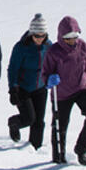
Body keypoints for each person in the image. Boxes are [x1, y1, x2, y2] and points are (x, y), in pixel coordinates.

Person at [41, 15, 86, 165]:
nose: (72, 40)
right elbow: (45, 74)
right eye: (68, 38)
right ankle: (58, 157)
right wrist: (49, 80)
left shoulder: (82, 46)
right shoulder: (54, 51)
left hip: (81, 88)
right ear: (61, 37)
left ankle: (81, 149)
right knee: (60, 127)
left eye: (74, 36)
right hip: (62, 94)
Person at [6, 13, 52, 149]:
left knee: (39, 121)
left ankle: (34, 148)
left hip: (41, 87)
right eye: (37, 36)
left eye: (42, 35)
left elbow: (54, 64)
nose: (39, 39)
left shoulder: (49, 46)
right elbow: (13, 68)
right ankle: (14, 123)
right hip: (23, 87)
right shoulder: (21, 47)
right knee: (29, 118)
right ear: (31, 33)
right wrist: (13, 88)